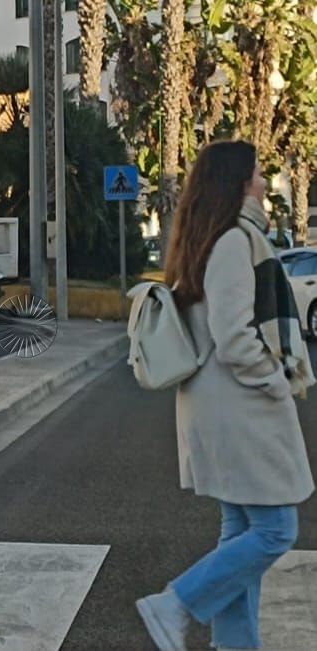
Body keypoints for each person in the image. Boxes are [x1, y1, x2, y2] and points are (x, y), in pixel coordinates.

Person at [136, 140, 315, 651]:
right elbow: (235, 335)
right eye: (257, 175)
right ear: (238, 183)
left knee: (240, 531)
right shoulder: (236, 240)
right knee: (276, 529)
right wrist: (274, 380)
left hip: (214, 402)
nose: (263, 183)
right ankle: (176, 603)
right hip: (239, 404)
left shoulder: (208, 236)